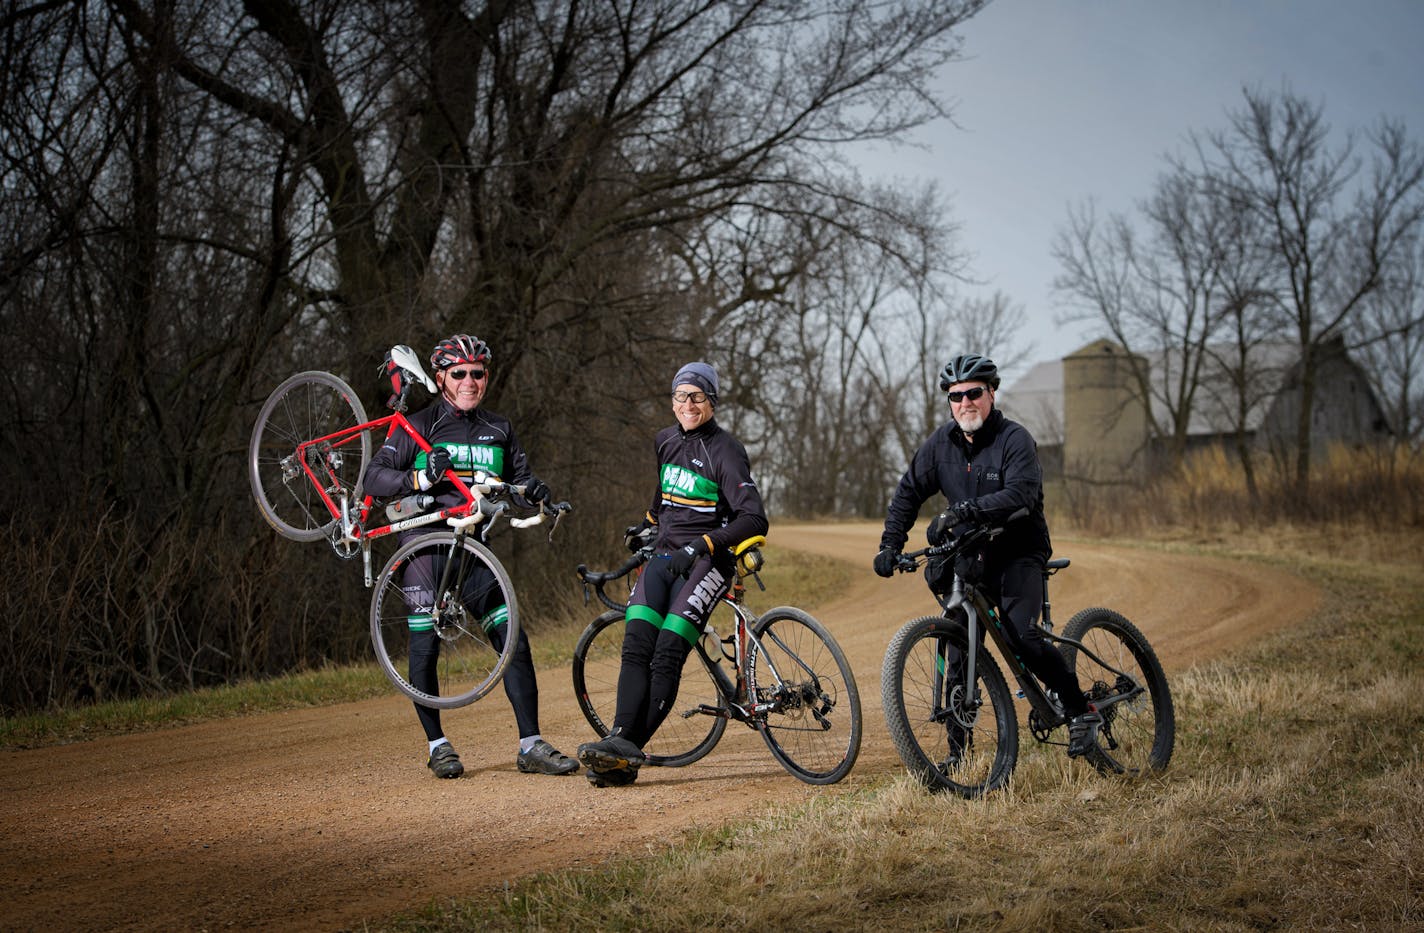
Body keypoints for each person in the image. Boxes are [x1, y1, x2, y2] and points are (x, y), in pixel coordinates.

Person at [362, 334, 578, 779]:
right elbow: (374, 478)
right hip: (426, 549)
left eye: (477, 373)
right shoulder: (418, 424)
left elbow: (518, 483)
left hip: (476, 552)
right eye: (459, 373)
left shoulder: (499, 428)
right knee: (424, 649)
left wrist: (534, 492)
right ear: (440, 377)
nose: (469, 381)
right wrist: (421, 477)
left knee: (513, 642)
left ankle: (531, 745)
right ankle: (438, 746)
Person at [872, 352, 1103, 761]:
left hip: (1018, 550)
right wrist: (890, 545)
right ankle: (959, 751)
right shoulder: (940, 445)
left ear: (991, 393)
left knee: (1023, 635)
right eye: (956, 396)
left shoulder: (1014, 440)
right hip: (969, 554)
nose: (965, 403)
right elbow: (907, 492)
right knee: (958, 645)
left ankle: (1080, 709)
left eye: (974, 393)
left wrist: (964, 511)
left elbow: (1021, 494)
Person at [576, 362, 768, 787]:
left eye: (697, 396)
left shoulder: (726, 451)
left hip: (707, 562)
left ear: (711, 401)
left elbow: (754, 519)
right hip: (663, 560)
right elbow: (662, 500)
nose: (688, 404)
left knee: (667, 652)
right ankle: (620, 744)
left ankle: (623, 752)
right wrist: (645, 525)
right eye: (680, 396)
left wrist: (701, 545)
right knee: (635, 645)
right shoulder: (663, 441)